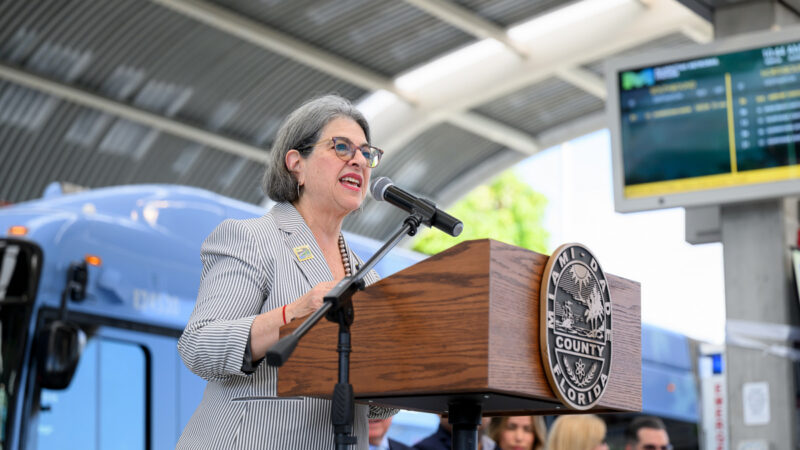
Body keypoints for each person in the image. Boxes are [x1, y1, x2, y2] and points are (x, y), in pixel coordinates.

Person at [176, 94, 394, 449]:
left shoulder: (367, 277)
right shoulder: (251, 238)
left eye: (366, 153)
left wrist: (399, 368)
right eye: (342, 147)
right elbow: (199, 346)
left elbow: (372, 411)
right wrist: (290, 315)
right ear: (296, 163)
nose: (359, 160)